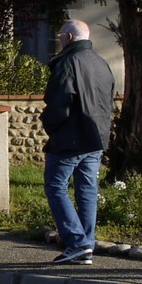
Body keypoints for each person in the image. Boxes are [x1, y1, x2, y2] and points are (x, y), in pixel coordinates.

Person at [41, 19, 116, 265]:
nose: (60, 39)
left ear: (69, 38)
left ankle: (77, 243)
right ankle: (86, 244)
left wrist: (51, 126)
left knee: (56, 186)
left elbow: (58, 103)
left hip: (69, 138)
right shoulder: (102, 63)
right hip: (96, 137)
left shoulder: (67, 62)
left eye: (61, 36)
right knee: (87, 190)